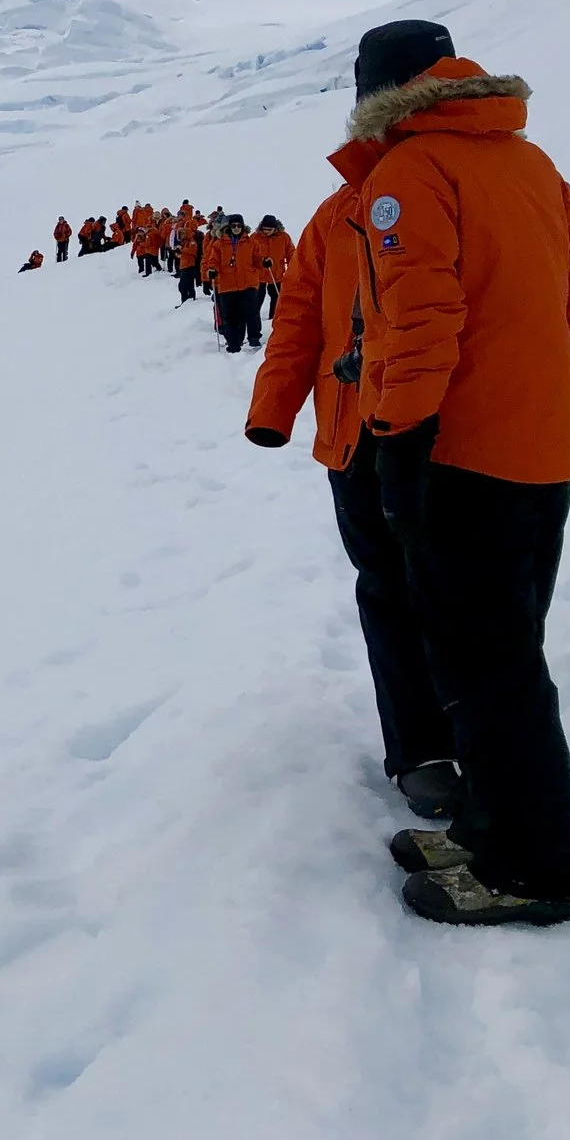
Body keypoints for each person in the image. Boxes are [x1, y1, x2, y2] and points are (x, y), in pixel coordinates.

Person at [345, 19, 570, 926]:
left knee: (487, 665)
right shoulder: (528, 162)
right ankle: (496, 825)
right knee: (500, 653)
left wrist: (401, 441)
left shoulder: (411, 174)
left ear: (382, 88)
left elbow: (419, 319)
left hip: (462, 455)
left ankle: (532, 867)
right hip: (540, 447)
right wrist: (529, 371)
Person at [244, 127, 460, 826]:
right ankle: (422, 750)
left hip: (449, 430)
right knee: (389, 590)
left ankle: (480, 735)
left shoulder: (467, 188)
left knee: (457, 588)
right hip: (356, 435)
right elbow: (300, 314)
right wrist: (272, 408)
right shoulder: (336, 215)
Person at [208, 215, 268, 352]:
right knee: (230, 316)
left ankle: (254, 338)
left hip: (248, 283)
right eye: (233, 226)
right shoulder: (219, 244)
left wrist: (264, 261)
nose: (236, 228)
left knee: (250, 312)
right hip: (227, 285)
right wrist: (212, 270)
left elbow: (257, 259)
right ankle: (234, 343)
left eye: (239, 226)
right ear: (229, 227)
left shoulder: (251, 242)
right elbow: (213, 261)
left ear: (243, 226)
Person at [258, 214, 294, 313]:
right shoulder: (255, 237)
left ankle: (273, 319)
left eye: (269, 229)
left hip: (276, 274)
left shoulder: (284, 237)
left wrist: (293, 269)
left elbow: (291, 253)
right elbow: (250, 254)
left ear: (275, 228)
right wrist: (261, 261)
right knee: (257, 300)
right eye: (264, 229)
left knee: (276, 299)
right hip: (258, 275)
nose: (266, 232)